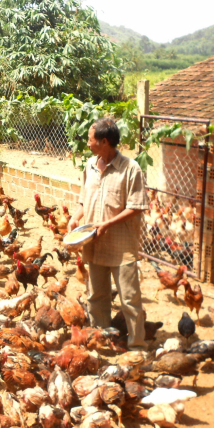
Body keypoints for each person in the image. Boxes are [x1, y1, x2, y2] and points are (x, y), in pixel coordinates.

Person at [68, 117, 149, 351]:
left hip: (121, 247)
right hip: (93, 244)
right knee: (96, 297)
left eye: (90, 139)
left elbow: (136, 207)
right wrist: (75, 217)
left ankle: (137, 346)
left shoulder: (130, 169)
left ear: (104, 141)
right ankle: (102, 340)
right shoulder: (90, 166)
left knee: (130, 300)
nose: (87, 143)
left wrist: (107, 224)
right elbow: (84, 200)